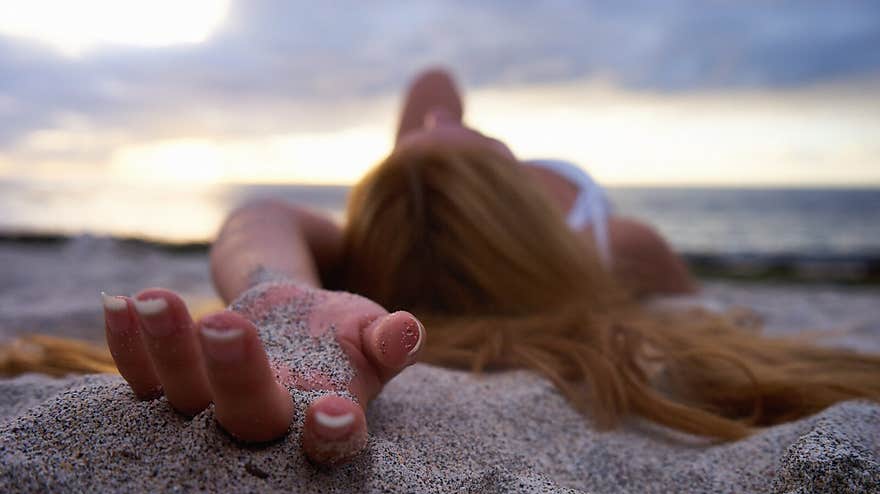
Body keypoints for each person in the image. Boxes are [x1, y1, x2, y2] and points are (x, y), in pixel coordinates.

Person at [100, 68, 880, 465]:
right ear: (509, 195)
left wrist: (276, 281)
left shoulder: (368, 243)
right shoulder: (612, 242)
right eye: (435, 137)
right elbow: (691, 306)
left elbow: (255, 220)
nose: (439, 116)